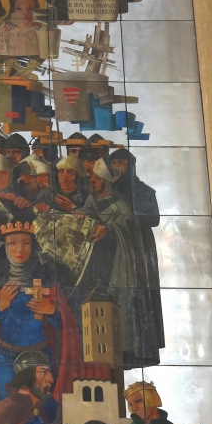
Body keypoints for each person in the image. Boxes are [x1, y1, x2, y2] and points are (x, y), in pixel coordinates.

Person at [0, 220, 85, 403]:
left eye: (25, 243)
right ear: (5, 247)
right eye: (12, 244)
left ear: (32, 246)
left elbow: (66, 324)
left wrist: (51, 310)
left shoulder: (46, 281)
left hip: (41, 356)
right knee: (8, 406)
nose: (19, 250)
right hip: (5, 357)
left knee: (42, 406)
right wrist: (0, 305)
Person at [77, 156, 162, 367]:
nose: (92, 182)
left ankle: (124, 351)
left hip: (118, 262)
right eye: (92, 178)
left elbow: (128, 224)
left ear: (105, 181)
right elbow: (88, 214)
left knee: (117, 301)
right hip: (96, 261)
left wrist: (108, 229)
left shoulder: (120, 202)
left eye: (97, 179)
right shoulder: (91, 200)